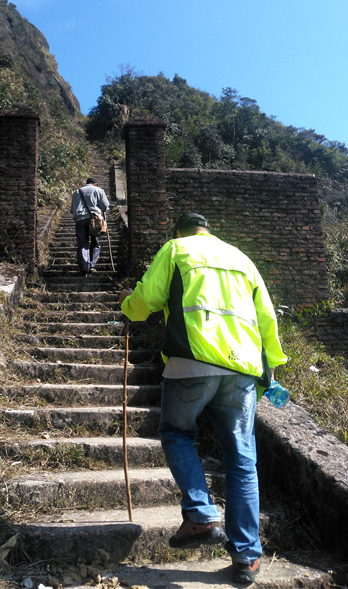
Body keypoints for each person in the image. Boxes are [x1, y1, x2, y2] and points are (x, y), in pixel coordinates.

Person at [119, 212, 287, 584]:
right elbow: (267, 318)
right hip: (241, 369)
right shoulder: (241, 259)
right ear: (209, 231)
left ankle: (200, 514)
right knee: (242, 461)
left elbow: (145, 301)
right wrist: (272, 365)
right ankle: (247, 558)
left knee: (177, 434)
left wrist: (127, 303)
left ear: (180, 231)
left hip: (190, 362)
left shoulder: (176, 249)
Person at [71, 178, 109, 276]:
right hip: (95, 220)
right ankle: (92, 265)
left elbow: (72, 210)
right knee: (95, 242)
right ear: (95, 184)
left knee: (83, 243)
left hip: (80, 220)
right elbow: (105, 206)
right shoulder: (98, 190)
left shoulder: (77, 192)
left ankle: (85, 266)